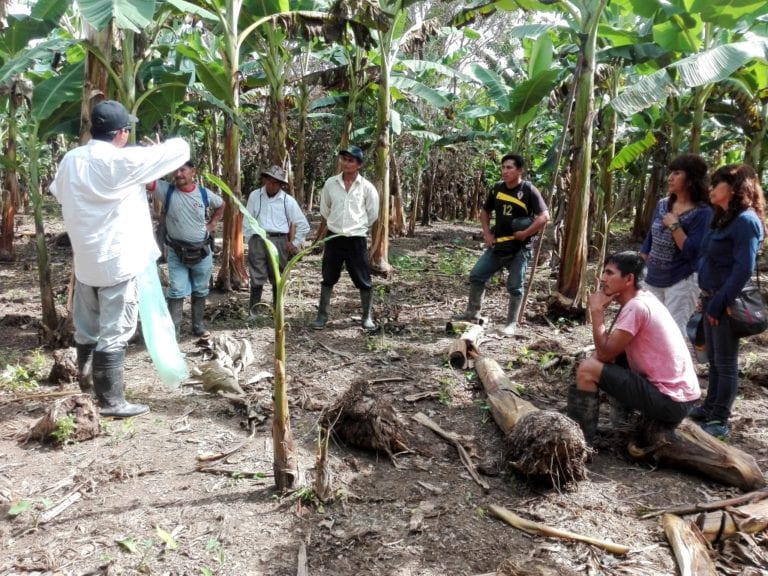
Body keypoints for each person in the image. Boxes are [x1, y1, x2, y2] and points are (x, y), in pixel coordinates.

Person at [50, 100, 190, 418]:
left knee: (87, 330)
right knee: (115, 330)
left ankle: (87, 388)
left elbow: (59, 192)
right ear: (122, 134)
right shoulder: (122, 163)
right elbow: (180, 150)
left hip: (85, 260)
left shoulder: (71, 160)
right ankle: (112, 401)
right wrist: (156, 151)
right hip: (118, 261)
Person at [568, 251, 700, 443]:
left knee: (587, 370)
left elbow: (604, 355)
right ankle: (620, 423)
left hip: (671, 402)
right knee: (603, 358)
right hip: (681, 398)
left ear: (629, 279)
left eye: (609, 273)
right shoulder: (645, 299)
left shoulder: (636, 307)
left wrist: (596, 312)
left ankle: (580, 440)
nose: (603, 278)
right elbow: (609, 352)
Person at [691, 164, 766, 438]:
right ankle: (709, 406)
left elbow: (743, 269)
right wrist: (706, 296)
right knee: (714, 359)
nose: (710, 189)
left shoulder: (746, 221)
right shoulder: (721, 216)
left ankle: (720, 418)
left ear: (733, 189)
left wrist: (719, 302)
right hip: (711, 297)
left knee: (725, 362)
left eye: (716, 184)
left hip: (727, 302)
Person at [453, 153, 549, 336]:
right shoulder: (497, 188)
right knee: (477, 275)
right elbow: (484, 211)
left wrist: (525, 233)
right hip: (498, 245)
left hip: (519, 248)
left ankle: (511, 323)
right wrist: (487, 233)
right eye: (503, 167)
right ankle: (472, 313)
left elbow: (544, 216)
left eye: (509, 168)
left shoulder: (528, 190)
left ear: (520, 170)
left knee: (515, 286)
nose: (505, 171)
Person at [147, 159, 225, 338]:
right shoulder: (166, 190)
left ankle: (198, 326)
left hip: (202, 252)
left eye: (182, 170)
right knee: (177, 290)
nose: (178, 174)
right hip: (176, 251)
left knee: (200, 289)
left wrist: (212, 224)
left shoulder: (204, 194)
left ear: (193, 172)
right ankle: (174, 331)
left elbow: (221, 205)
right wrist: (159, 157)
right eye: (175, 170)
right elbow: (147, 181)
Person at [640, 154, 711, 337]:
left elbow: (692, 252)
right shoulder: (663, 204)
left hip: (681, 281)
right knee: (649, 329)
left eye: (677, 173)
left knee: (673, 334)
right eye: (670, 172)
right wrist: (638, 265)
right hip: (652, 278)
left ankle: (676, 366)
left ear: (691, 180)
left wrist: (674, 226)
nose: (670, 177)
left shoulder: (703, 213)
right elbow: (650, 238)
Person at [310, 145, 379, 330]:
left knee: (363, 278)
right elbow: (325, 209)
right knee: (328, 277)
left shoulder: (367, 188)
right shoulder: (331, 184)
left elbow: (372, 214)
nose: (346, 163)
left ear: (359, 165)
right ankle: (322, 316)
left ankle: (367, 317)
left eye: (350, 160)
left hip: (356, 238)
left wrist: (358, 226)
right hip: (334, 237)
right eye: (344, 159)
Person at [243, 165, 310, 314]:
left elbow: (303, 225)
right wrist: (250, 240)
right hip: (258, 239)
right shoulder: (255, 195)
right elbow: (248, 219)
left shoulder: (288, 201)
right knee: (256, 275)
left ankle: (277, 310)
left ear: (281, 185)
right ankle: (254, 312)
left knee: (278, 276)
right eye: (268, 181)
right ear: (265, 180)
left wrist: (294, 243)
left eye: (275, 183)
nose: (271, 185)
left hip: (279, 240)